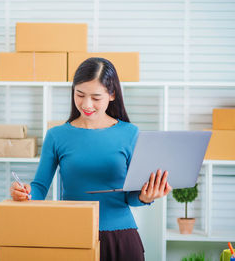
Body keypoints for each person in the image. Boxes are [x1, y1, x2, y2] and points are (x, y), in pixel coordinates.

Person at [10, 57, 172, 261]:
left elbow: (129, 196)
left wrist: (145, 197)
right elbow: (40, 188)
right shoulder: (56, 135)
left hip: (121, 239)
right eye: (80, 94)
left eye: (96, 97)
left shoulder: (130, 133)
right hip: (73, 236)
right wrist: (25, 193)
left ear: (112, 94)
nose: (86, 104)